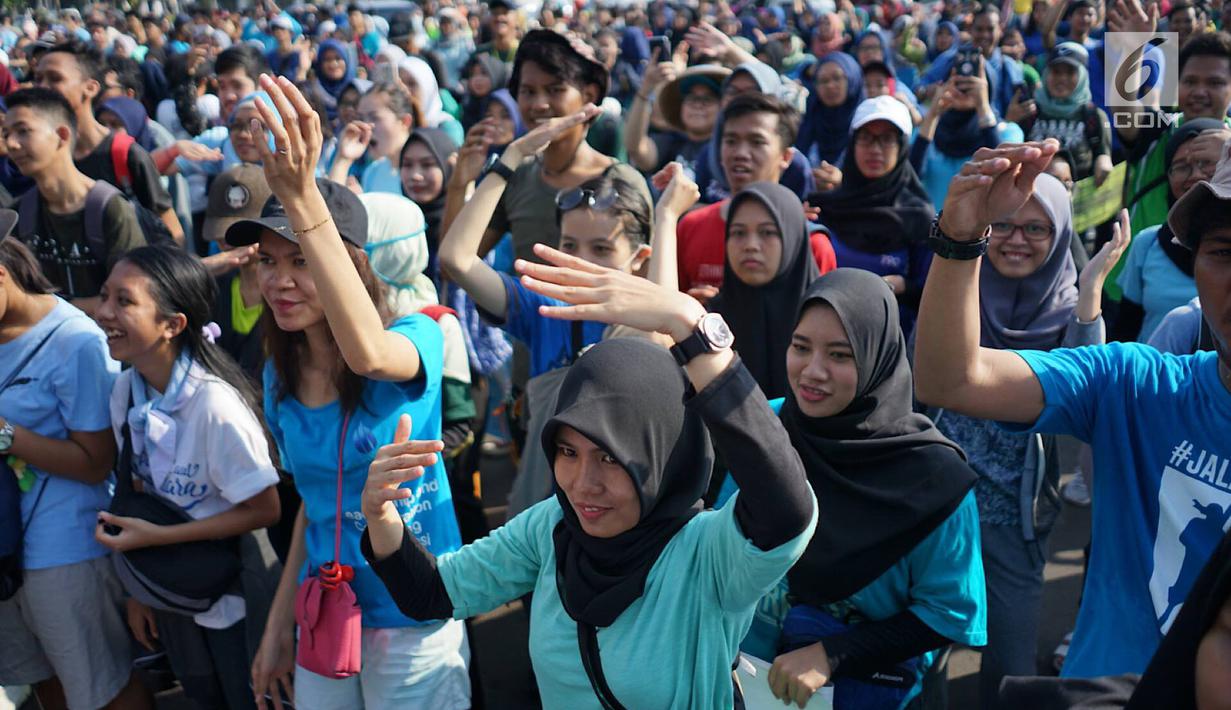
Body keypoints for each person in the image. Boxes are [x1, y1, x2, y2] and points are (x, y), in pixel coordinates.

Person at [360, 251, 818, 708]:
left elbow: (786, 509)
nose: (583, 484)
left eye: (610, 457)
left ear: (663, 456)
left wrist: (689, 324)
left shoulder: (708, 555)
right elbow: (432, 593)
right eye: (568, 452)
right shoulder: (551, 527)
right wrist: (381, 514)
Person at [914, 138, 1231, 679]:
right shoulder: (1137, 385)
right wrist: (960, 238)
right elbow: (952, 378)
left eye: (1036, 229)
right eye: (1224, 252)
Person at [241, 76, 469, 710]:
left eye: (302, 260)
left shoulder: (418, 336)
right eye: (268, 261)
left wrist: (302, 196)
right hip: (326, 609)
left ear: (352, 266)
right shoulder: (277, 375)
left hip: (414, 610)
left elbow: (367, 354)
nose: (280, 281)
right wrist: (278, 627)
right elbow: (314, 509)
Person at [712, 269, 986, 709]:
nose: (812, 371)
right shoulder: (769, 427)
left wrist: (834, 654)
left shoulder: (936, 480)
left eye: (840, 355)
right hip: (746, 682)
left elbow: (949, 613)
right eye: (801, 347)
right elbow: (719, 546)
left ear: (878, 358)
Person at [931, 171, 1128, 705]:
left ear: (1060, 234)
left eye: (1037, 229)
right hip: (939, 507)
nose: (1017, 240)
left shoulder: (1070, 312)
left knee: (1009, 664)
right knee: (922, 653)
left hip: (1014, 522)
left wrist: (1090, 292)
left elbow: (1085, 390)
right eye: (1004, 225)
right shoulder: (958, 290)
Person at [93, 244, 282, 710]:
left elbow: (265, 510)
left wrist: (159, 537)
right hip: (174, 591)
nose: (104, 313)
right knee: (201, 697)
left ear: (173, 325)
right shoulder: (125, 391)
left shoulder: (214, 405)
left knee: (245, 697)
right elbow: (136, 489)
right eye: (104, 296)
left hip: (229, 593)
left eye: (124, 300)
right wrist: (139, 589)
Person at [0, 234, 151, 710]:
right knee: (41, 681)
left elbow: (96, 463)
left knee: (102, 687)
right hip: (6, 548)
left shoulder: (75, 341)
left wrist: (6, 435)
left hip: (62, 547)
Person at [441, 104, 654, 378]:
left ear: (639, 257)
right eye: (569, 246)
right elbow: (455, 260)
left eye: (601, 249)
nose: (581, 260)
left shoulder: (655, 321)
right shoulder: (544, 308)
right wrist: (512, 157)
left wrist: (668, 216)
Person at [468, 29, 650, 266]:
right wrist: (460, 184)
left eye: (555, 90)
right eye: (528, 91)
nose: (539, 104)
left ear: (589, 96)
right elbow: (457, 263)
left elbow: (647, 277)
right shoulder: (517, 175)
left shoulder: (623, 182)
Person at [676, 93, 835, 302]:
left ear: (785, 156)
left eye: (757, 142)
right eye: (731, 141)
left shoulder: (811, 245)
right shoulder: (691, 227)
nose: (741, 153)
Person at [7, 87, 145, 313]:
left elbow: (131, 294)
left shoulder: (110, 208)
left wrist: (54, 308)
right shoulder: (20, 213)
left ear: (62, 135)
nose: (12, 144)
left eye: (23, 131)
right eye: (6, 134)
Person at [34, 41, 183, 242]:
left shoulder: (125, 153)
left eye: (55, 79)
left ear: (90, 87)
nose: (42, 88)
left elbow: (171, 229)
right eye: (38, 79)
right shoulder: (43, 155)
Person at [812, 96, 934, 333]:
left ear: (902, 147)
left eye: (886, 139)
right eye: (866, 138)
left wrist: (904, 286)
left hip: (891, 340)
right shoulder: (823, 208)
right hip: (825, 333)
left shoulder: (918, 217)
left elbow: (932, 295)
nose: (875, 149)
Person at [712, 181, 825, 400]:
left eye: (767, 232)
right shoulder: (711, 322)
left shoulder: (827, 321)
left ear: (792, 236)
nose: (751, 245)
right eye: (738, 232)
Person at [1113, 118, 1224, 342]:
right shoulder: (1147, 243)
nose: (1195, 175)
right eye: (1181, 167)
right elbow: (1126, 330)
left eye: (1206, 163)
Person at [1117, 21, 1231, 237]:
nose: (1199, 92)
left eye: (1214, 83)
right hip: (1140, 258)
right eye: (1190, 81)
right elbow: (1123, 111)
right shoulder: (1158, 128)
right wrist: (1132, 50)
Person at [911, 59, 1025, 209]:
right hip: (935, 222)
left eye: (972, 82)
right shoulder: (927, 131)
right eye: (957, 82)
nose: (964, 89)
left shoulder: (1007, 132)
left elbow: (1003, 173)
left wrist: (983, 107)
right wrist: (933, 114)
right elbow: (912, 176)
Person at [1014, 42, 1112, 184]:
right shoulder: (1029, 111)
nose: (1062, 78)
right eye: (1056, 72)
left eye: (1070, 72)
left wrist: (1104, 161)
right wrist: (1009, 122)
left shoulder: (1093, 116)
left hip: (1077, 195)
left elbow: (1103, 155)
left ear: (1082, 76)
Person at [625, 47, 728, 177]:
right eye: (691, 99)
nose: (697, 105)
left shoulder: (725, 149)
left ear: (723, 107)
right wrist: (646, 88)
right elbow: (636, 149)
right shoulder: (671, 143)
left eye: (707, 99)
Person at [919, 7, 1025, 117]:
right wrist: (928, 91)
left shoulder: (1009, 67)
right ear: (970, 30)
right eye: (979, 29)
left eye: (990, 29)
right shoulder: (951, 59)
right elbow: (919, 88)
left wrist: (1009, 120)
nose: (984, 35)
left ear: (1000, 30)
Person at [329, 83, 420, 195]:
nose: (365, 126)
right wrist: (343, 158)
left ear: (405, 121)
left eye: (375, 118)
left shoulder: (421, 174)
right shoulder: (373, 171)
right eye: (361, 118)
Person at [399, 128, 457, 285]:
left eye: (427, 165)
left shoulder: (466, 221)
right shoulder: (395, 223)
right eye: (407, 164)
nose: (416, 175)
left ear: (448, 168)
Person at [797, 52, 865, 168]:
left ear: (852, 79)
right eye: (823, 81)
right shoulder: (808, 121)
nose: (830, 86)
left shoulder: (865, 123)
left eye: (837, 78)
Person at [398, 55, 465, 145]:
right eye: (399, 83)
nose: (403, 89)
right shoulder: (390, 123)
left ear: (427, 88)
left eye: (411, 84)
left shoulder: (447, 126)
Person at [306, 39, 356, 126]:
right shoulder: (311, 92)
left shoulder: (356, 90)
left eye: (338, 58)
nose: (333, 64)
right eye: (327, 59)